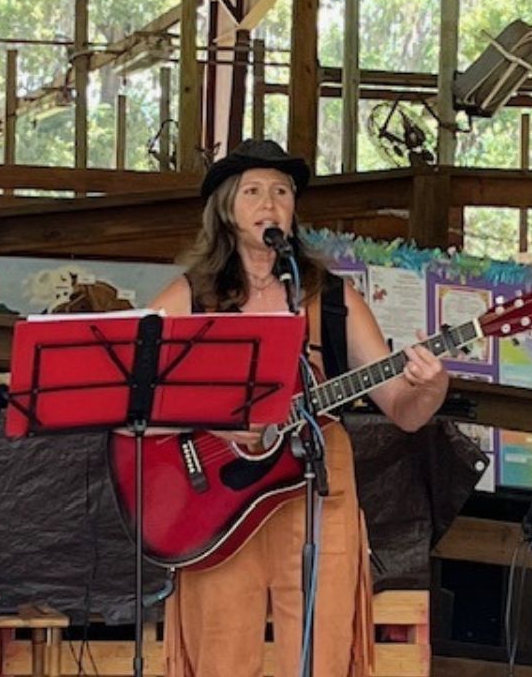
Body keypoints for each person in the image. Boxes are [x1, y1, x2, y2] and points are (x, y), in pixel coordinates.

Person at [150, 138, 450, 677]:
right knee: (221, 651)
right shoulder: (188, 297)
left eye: (283, 191)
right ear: (226, 208)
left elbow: (402, 410)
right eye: (254, 191)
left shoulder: (333, 299)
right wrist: (222, 425)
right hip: (222, 501)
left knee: (324, 652)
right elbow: (131, 400)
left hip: (318, 494)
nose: (270, 202)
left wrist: (429, 386)